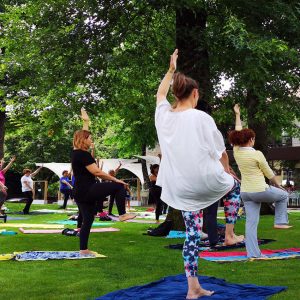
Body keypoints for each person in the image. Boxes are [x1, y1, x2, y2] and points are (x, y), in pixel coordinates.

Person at [155, 49, 243, 299]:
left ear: (176, 93)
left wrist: (171, 70)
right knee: (235, 187)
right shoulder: (201, 117)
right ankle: (228, 235)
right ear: (195, 94)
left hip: (180, 188)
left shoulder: (163, 117)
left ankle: (192, 287)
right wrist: (228, 172)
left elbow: (160, 94)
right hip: (206, 182)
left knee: (192, 235)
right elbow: (221, 153)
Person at [228, 104, 291, 258]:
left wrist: (237, 114)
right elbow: (269, 174)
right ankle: (280, 222)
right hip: (259, 190)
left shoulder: (236, 151)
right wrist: (279, 187)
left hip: (246, 193)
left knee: (251, 224)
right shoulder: (257, 154)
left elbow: (237, 131)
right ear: (251, 140)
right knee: (283, 196)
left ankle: (253, 254)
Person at [72, 129, 136, 255]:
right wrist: (115, 179)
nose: (92, 141)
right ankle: (122, 214)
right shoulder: (83, 155)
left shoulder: (75, 153)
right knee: (118, 186)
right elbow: (97, 172)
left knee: (88, 219)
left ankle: (83, 250)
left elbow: (81, 133)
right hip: (87, 189)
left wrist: (86, 121)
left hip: (79, 192)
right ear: (83, 139)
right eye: (90, 138)